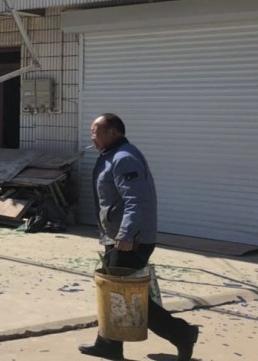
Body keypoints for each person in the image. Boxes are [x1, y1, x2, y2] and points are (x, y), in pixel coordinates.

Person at [79, 113, 199, 361]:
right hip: (118, 237)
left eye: (96, 131)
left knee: (130, 297)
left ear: (113, 131)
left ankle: (181, 333)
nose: (92, 136)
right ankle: (108, 343)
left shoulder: (124, 158)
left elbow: (137, 200)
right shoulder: (111, 156)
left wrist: (126, 234)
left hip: (131, 240)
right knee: (114, 291)